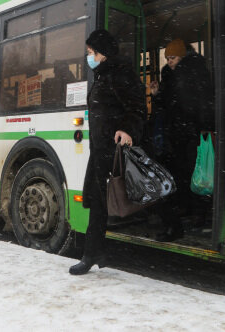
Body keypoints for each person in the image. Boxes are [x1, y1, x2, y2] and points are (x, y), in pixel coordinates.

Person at [69, 29, 146, 275]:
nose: (88, 57)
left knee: (113, 200)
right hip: (100, 151)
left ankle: (92, 254)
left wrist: (126, 128)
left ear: (102, 53)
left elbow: (137, 107)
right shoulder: (103, 75)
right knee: (100, 204)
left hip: (113, 151)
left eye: (91, 52)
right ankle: (93, 253)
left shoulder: (120, 74)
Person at [149, 39, 215, 241]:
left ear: (182, 56)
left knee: (194, 172)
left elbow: (202, 101)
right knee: (183, 173)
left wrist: (205, 126)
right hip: (176, 133)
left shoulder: (193, 70)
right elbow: (167, 104)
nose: (169, 61)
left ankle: (199, 212)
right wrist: (156, 94)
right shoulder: (169, 74)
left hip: (191, 132)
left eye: (173, 57)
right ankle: (189, 209)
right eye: (167, 58)